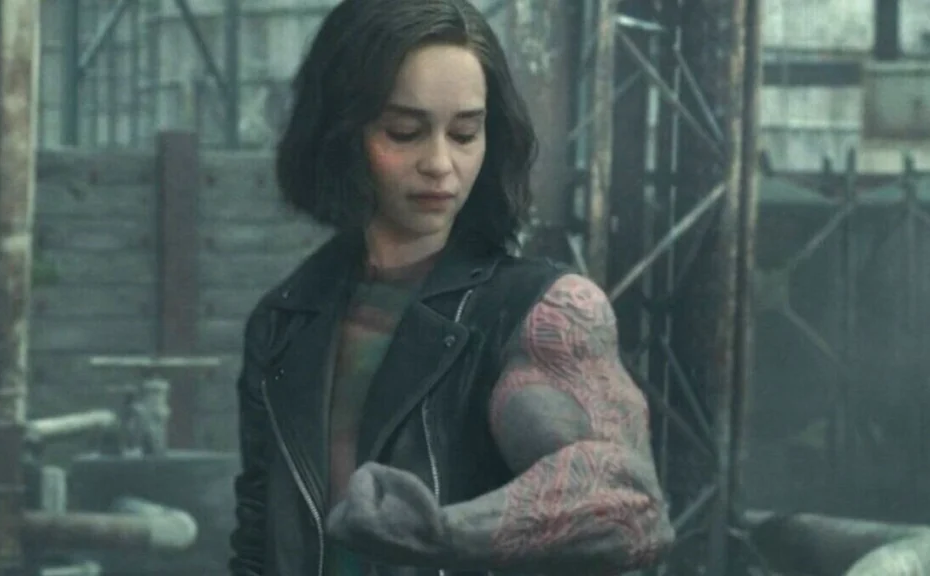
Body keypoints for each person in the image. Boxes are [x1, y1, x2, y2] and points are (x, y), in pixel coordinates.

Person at [229, 0, 675, 574]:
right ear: (339, 133)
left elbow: (629, 505)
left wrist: (445, 534)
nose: (440, 163)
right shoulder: (284, 320)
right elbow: (258, 539)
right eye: (405, 132)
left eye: (465, 133)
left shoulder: (540, 310)